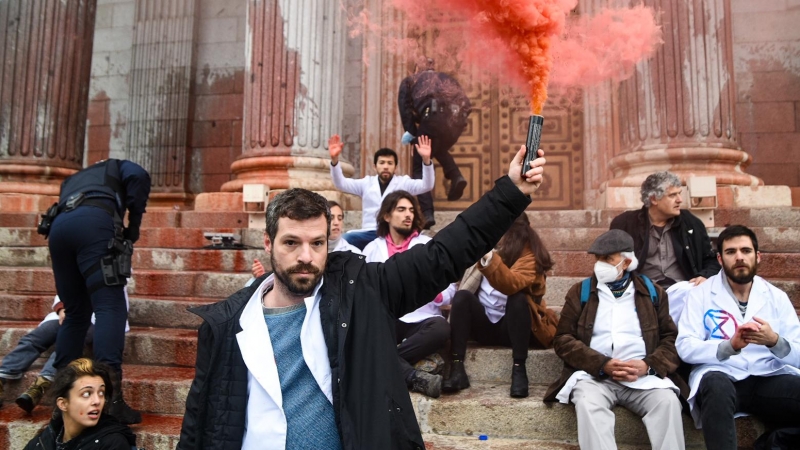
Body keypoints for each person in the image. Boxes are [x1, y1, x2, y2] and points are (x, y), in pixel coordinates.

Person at [177, 145, 547, 449]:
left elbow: (443, 256)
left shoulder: (360, 290)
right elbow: (198, 423)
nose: (306, 256)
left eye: (317, 243)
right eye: (292, 242)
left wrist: (509, 193)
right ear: (268, 243)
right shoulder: (226, 324)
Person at [544, 229, 687, 450]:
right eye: (598, 259)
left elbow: (670, 339)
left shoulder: (653, 293)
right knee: (588, 403)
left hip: (642, 378)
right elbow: (563, 339)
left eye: (608, 259)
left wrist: (648, 366)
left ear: (627, 262)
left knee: (668, 403)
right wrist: (602, 364)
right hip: (595, 377)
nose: (600, 264)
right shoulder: (580, 292)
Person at [676, 225, 800, 450]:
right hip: (724, 375)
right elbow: (685, 346)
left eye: (746, 250)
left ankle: (773, 443)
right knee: (715, 385)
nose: (740, 257)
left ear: (758, 256)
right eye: (731, 252)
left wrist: (774, 341)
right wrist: (729, 346)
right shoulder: (700, 295)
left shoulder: (776, 297)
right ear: (720, 259)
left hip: (767, 376)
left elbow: (798, 353)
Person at [48, 158, 149, 424]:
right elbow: (139, 176)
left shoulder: (74, 178)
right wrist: (133, 227)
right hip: (93, 223)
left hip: (58, 227)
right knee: (110, 306)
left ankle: (63, 400)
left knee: (76, 314)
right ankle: (111, 399)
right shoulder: (119, 165)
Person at [442, 213, 555, 398]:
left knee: (518, 298)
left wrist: (489, 259)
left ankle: (519, 370)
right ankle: (457, 368)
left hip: (515, 329)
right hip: (484, 326)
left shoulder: (529, 255)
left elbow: (511, 283)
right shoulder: (484, 248)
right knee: (462, 297)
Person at [362, 191, 456, 398]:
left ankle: (381, 363)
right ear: (387, 216)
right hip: (387, 320)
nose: (408, 215)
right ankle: (412, 375)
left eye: (412, 210)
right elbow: (362, 291)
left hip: (421, 321)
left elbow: (450, 291)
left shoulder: (427, 246)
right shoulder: (371, 249)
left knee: (441, 328)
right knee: (366, 330)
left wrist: (434, 291)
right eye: (401, 209)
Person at [610, 171, 719, 323]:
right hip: (642, 291)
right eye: (672, 195)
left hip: (682, 292)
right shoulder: (626, 224)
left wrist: (704, 276)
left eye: (679, 194)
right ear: (654, 199)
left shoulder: (691, 223)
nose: (680, 200)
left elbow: (711, 260)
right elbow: (610, 262)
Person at [0, 290, 130, 413]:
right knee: (36, 338)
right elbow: (64, 290)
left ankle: (40, 386)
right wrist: (62, 309)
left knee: (69, 343)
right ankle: (4, 373)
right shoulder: (74, 269)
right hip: (67, 315)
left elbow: (113, 303)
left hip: (95, 321)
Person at [398, 57, 472, 227]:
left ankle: (427, 213)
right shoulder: (447, 78)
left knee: (419, 166)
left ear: (417, 67)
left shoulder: (410, 81)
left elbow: (405, 110)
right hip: (455, 123)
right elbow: (467, 104)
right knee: (436, 148)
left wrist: (413, 135)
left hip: (431, 119)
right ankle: (456, 176)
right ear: (432, 66)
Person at [328, 134, 435, 248]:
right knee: (346, 240)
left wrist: (426, 160)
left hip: (394, 232)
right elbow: (341, 184)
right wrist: (335, 161)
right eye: (382, 163)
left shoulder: (404, 183)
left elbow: (426, 185)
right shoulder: (366, 183)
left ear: (395, 167)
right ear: (375, 166)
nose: (385, 167)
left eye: (390, 163)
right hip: (369, 232)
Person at [23, 358, 137, 450]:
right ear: (63, 404)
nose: (97, 401)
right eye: (87, 394)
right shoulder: (45, 440)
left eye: (101, 393)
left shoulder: (112, 443)